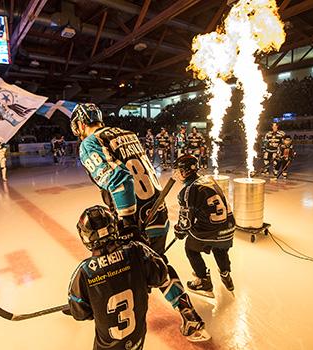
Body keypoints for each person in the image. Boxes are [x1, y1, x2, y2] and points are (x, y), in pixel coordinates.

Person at [70, 103, 210, 342]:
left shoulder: (89, 143)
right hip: (158, 209)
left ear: (81, 124)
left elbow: (120, 179)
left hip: (133, 216)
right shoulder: (128, 134)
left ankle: (103, 307)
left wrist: (127, 224)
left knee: (118, 266)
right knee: (157, 265)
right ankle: (189, 314)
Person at [67, 205, 169, 350]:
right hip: (137, 341)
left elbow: (80, 313)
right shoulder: (137, 250)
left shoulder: (84, 272)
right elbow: (160, 276)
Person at [173, 155, 236, 298]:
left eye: (179, 169)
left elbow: (186, 222)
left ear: (186, 171)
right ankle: (226, 274)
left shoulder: (188, 190)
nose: (177, 172)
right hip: (229, 227)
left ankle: (203, 281)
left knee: (190, 249)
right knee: (219, 248)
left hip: (211, 230)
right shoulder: (208, 179)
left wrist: (179, 231)